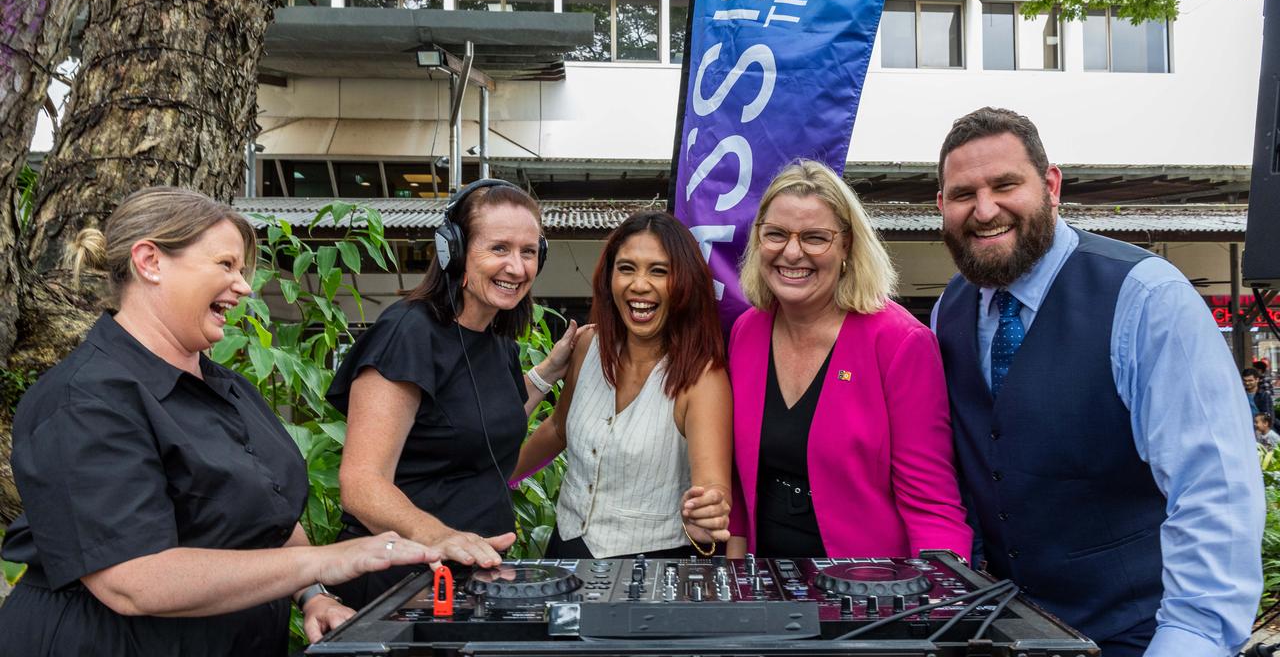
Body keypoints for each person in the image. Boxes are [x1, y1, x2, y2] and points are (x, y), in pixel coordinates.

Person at [0, 187, 438, 657]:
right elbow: (132, 580)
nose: (245, 286)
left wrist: (313, 594)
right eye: (226, 265)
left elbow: (268, 517)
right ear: (150, 261)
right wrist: (329, 560)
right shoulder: (84, 399)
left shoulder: (230, 388)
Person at [930, 107, 1263, 657]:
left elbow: (1214, 491)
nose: (985, 209)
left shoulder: (1147, 297)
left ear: (1052, 185)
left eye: (1006, 185)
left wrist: (1191, 640)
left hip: (1140, 635)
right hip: (1004, 631)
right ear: (942, 207)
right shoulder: (949, 309)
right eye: (964, 193)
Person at [327, 179, 580, 607]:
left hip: (467, 580)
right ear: (455, 250)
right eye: (499, 249)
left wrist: (548, 372)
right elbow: (361, 484)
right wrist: (442, 538)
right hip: (398, 583)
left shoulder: (496, 337)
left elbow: (479, 417)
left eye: (528, 252)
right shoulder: (408, 333)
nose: (516, 268)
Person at [725, 159, 972, 559]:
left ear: (847, 246)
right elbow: (739, 479)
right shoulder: (747, 332)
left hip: (866, 590)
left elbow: (931, 502)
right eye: (775, 234)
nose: (791, 252)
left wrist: (941, 600)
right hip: (764, 582)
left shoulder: (899, 342)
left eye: (815, 238)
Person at [512, 211, 733, 558]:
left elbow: (712, 486)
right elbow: (558, 429)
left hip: (653, 565)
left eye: (659, 271)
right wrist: (496, 478)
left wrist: (709, 511)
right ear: (609, 278)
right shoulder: (587, 346)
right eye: (626, 268)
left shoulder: (703, 378)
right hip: (568, 548)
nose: (639, 285)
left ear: (686, 283)